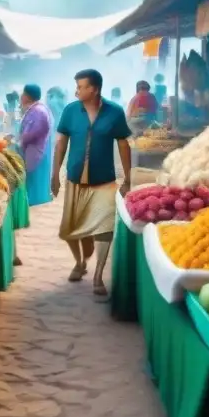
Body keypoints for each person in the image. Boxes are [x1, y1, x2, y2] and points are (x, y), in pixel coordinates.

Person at [51, 69, 132, 296]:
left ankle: (98, 275)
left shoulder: (114, 112)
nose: (76, 91)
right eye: (76, 86)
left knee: (104, 230)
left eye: (81, 86)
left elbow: (124, 145)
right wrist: (55, 174)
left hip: (104, 179)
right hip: (75, 177)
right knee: (70, 230)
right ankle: (80, 263)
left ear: (94, 89)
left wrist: (128, 179)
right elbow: (61, 143)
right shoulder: (70, 111)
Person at [19, 85, 53, 207]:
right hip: (36, 152)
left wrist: (19, 140)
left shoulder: (38, 111)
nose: (21, 96)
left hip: (36, 154)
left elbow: (32, 133)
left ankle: (36, 205)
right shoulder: (36, 109)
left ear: (27, 96)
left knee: (35, 185)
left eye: (23, 94)